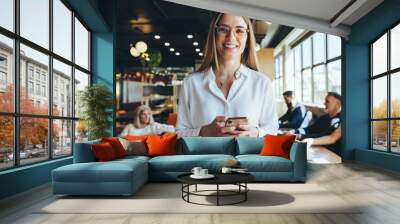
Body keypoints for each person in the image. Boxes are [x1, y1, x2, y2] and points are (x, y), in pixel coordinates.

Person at [176, 13, 278, 138]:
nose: (231, 37)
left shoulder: (262, 83)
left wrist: (256, 133)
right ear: (214, 34)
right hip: (203, 158)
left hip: (247, 157)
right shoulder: (191, 83)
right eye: (223, 29)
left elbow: (272, 131)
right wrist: (202, 132)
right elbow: (179, 134)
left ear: (247, 37)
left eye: (239, 30)